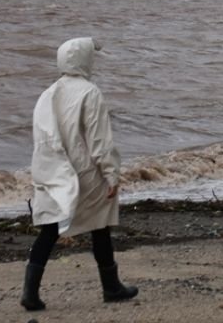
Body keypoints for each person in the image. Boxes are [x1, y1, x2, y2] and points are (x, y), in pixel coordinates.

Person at [20, 37, 138, 311]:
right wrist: (111, 174)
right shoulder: (90, 92)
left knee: (49, 229)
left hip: (53, 169)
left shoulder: (48, 93)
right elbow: (99, 141)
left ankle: (30, 292)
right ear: (85, 60)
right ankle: (111, 287)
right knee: (99, 226)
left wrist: (44, 171)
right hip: (85, 170)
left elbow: (41, 137)